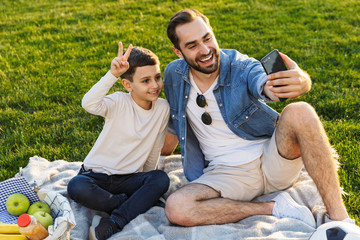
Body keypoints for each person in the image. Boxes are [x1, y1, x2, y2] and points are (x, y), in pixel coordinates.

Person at [162, 9, 353, 228]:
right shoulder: (173, 76)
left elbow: (263, 81)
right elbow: (175, 123)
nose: (205, 50)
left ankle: (341, 220)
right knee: (177, 208)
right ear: (178, 52)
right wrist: (157, 159)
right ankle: (273, 207)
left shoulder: (240, 65)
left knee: (300, 110)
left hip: (273, 161)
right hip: (226, 175)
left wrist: (299, 82)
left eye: (207, 38)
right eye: (192, 45)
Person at [67, 42, 170, 240]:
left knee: (160, 179)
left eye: (157, 77)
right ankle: (129, 206)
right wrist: (112, 75)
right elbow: (88, 103)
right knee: (76, 186)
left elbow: (155, 147)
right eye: (146, 81)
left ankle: (115, 221)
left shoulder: (162, 108)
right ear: (128, 85)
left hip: (129, 179)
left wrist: (147, 183)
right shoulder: (118, 102)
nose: (155, 85)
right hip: (95, 177)